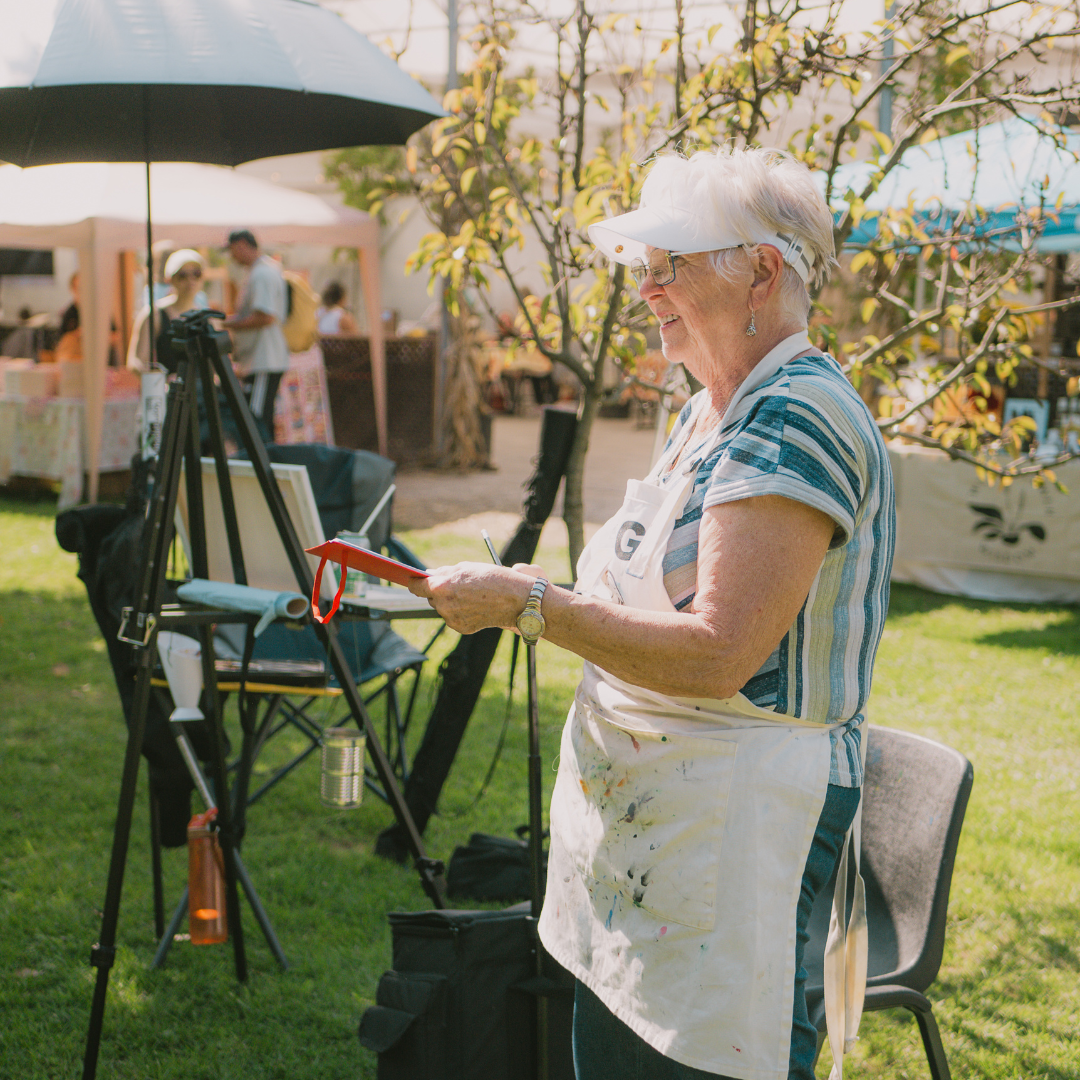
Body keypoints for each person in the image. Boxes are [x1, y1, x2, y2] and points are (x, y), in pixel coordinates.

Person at [407, 146, 895, 1080]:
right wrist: (532, 596)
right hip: (649, 834)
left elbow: (720, 655)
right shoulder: (709, 410)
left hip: (734, 830)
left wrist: (529, 604)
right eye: (642, 267)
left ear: (762, 269)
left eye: (669, 264)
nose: (647, 290)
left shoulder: (798, 416)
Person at [222, 229, 289, 443]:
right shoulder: (261, 270)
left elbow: (265, 316)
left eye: (232, 251)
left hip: (264, 359)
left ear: (242, 245)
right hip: (260, 359)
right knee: (259, 418)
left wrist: (227, 324)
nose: (232, 257)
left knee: (256, 421)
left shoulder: (262, 273)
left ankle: (265, 468)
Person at [126, 249, 208, 371]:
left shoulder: (208, 317)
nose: (190, 280)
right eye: (182, 275)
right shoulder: (154, 314)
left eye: (196, 274)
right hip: (168, 389)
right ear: (169, 279)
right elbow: (136, 362)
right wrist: (161, 379)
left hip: (202, 389)